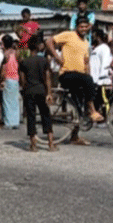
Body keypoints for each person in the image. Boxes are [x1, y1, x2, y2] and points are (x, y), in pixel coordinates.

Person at [46, 17, 104, 146]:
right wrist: (57, 57)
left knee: (80, 108)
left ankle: (74, 136)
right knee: (87, 82)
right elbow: (49, 41)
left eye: (85, 27)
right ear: (76, 27)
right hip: (67, 75)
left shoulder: (85, 42)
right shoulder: (68, 35)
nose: (83, 29)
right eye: (81, 27)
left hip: (79, 77)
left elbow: (86, 63)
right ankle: (93, 111)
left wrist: (89, 80)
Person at [19, 35, 57, 152]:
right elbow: (47, 78)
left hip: (29, 91)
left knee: (31, 117)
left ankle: (33, 145)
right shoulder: (44, 61)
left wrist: (25, 91)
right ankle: (50, 143)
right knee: (46, 115)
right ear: (39, 47)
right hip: (41, 90)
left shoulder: (24, 62)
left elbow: (23, 80)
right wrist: (49, 93)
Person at [89, 29, 113, 112]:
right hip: (95, 80)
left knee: (104, 101)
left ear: (98, 37)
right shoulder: (96, 49)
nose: (92, 37)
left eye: (93, 36)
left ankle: (107, 120)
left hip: (102, 81)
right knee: (97, 102)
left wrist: (103, 79)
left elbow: (105, 64)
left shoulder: (104, 48)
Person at [0, 36, 21, 129]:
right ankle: (15, 121)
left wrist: (2, 80)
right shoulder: (16, 53)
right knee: (15, 101)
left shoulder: (5, 54)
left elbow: (4, 69)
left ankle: (9, 122)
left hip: (8, 78)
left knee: (7, 102)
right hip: (15, 78)